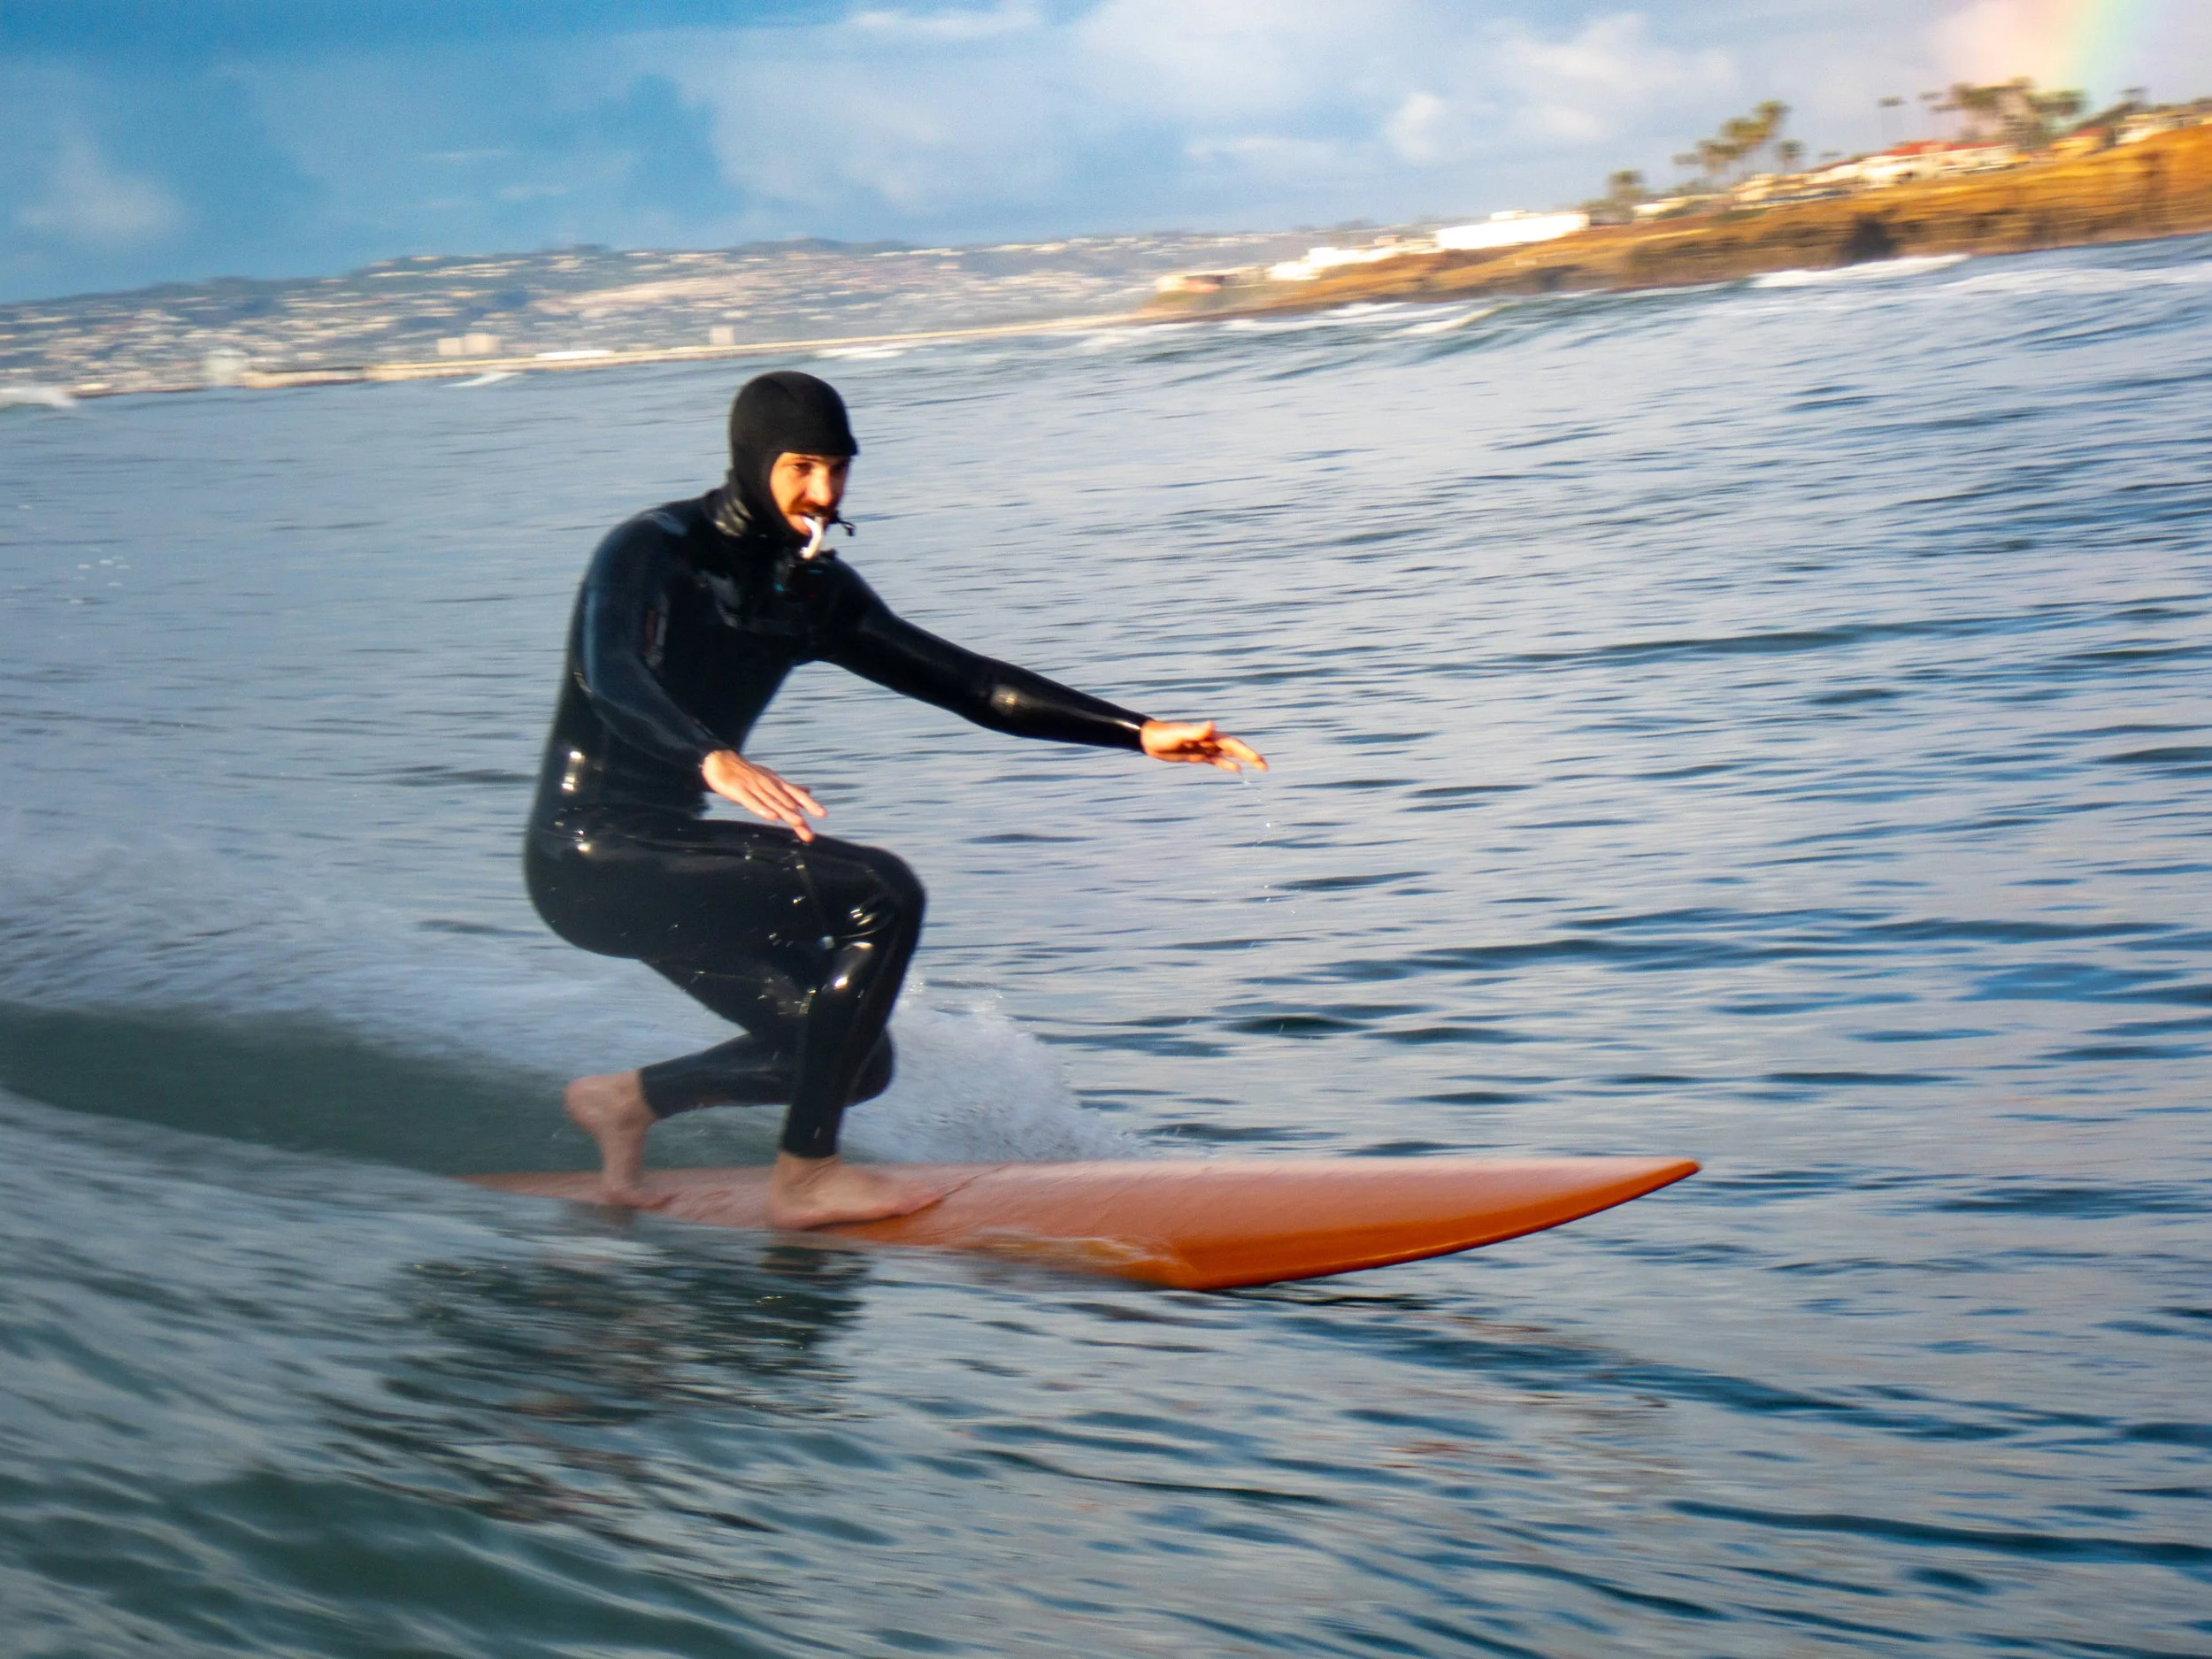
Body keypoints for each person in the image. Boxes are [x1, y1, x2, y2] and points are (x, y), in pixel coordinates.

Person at [525, 371, 1265, 1227]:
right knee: (884, 893)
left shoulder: (810, 596)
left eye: (840, 468)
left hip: (661, 863)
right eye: (803, 466)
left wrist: (1136, 731)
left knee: (850, 1058)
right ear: (752, 460)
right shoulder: (650, 552)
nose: (824, 492)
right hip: (586, 852)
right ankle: (805, 1177)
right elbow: (609, 674)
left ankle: (629, 1103)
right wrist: (711, 759)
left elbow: (970, 684)